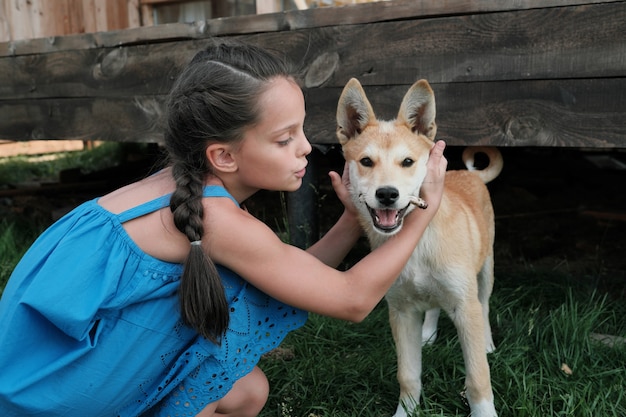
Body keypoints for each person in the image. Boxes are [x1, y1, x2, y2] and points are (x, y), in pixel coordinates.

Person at [0, 40, 447, 417]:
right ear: (225, 156)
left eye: (302, 131)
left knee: (246, 389)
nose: (307, 147)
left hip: (27, 370)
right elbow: (352, 300)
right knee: (245, 390)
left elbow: (291, 276)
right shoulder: (220, 221)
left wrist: (352, 219)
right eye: (285, 138)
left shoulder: (181, 191)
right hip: (48, 394)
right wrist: (424, 207)